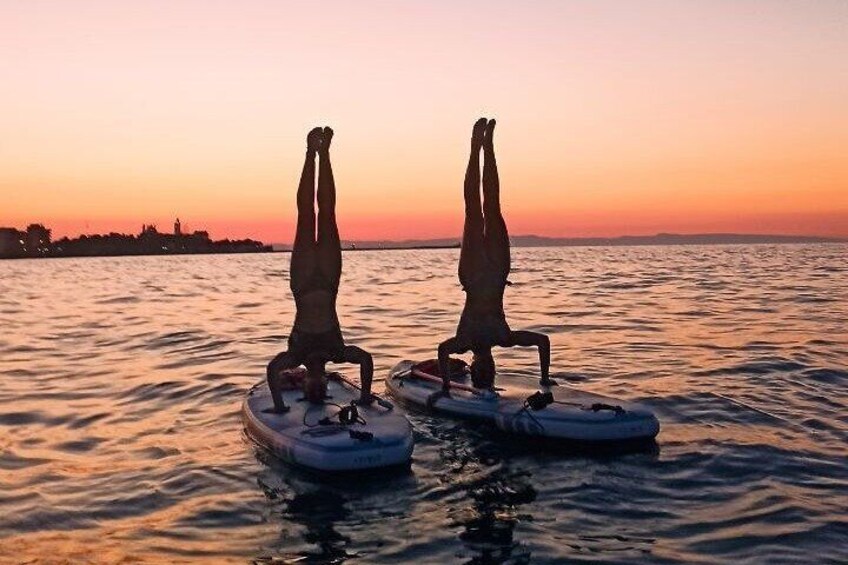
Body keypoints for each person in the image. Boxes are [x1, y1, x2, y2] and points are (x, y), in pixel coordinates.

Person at [436, 118, 552, 394]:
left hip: (474, 275)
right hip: (498, 272)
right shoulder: (504, 337)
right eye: (490, 371)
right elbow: (543, 341)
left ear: (473, 367)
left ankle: (477, 146)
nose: (486, 368)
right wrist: (544, 377)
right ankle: (487, 145)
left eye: (481, 372)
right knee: (492, 205)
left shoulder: (463, 341)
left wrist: (444, 385)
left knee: (474, 209)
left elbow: (442, 349)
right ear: (495, 368)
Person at [266, 126, 373, 412]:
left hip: (302, 284)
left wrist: (279, 405)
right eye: (320, 390)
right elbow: (365, 359)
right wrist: (364, 395)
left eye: (310, 390)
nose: (316, 388)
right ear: (326, 382)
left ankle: (310, 151)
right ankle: (324, 154)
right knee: (326, 214)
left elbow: (272, 368)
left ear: (302, 384)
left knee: (305, 216)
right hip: (327, 281)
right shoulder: (336, 353)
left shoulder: (295, 355)